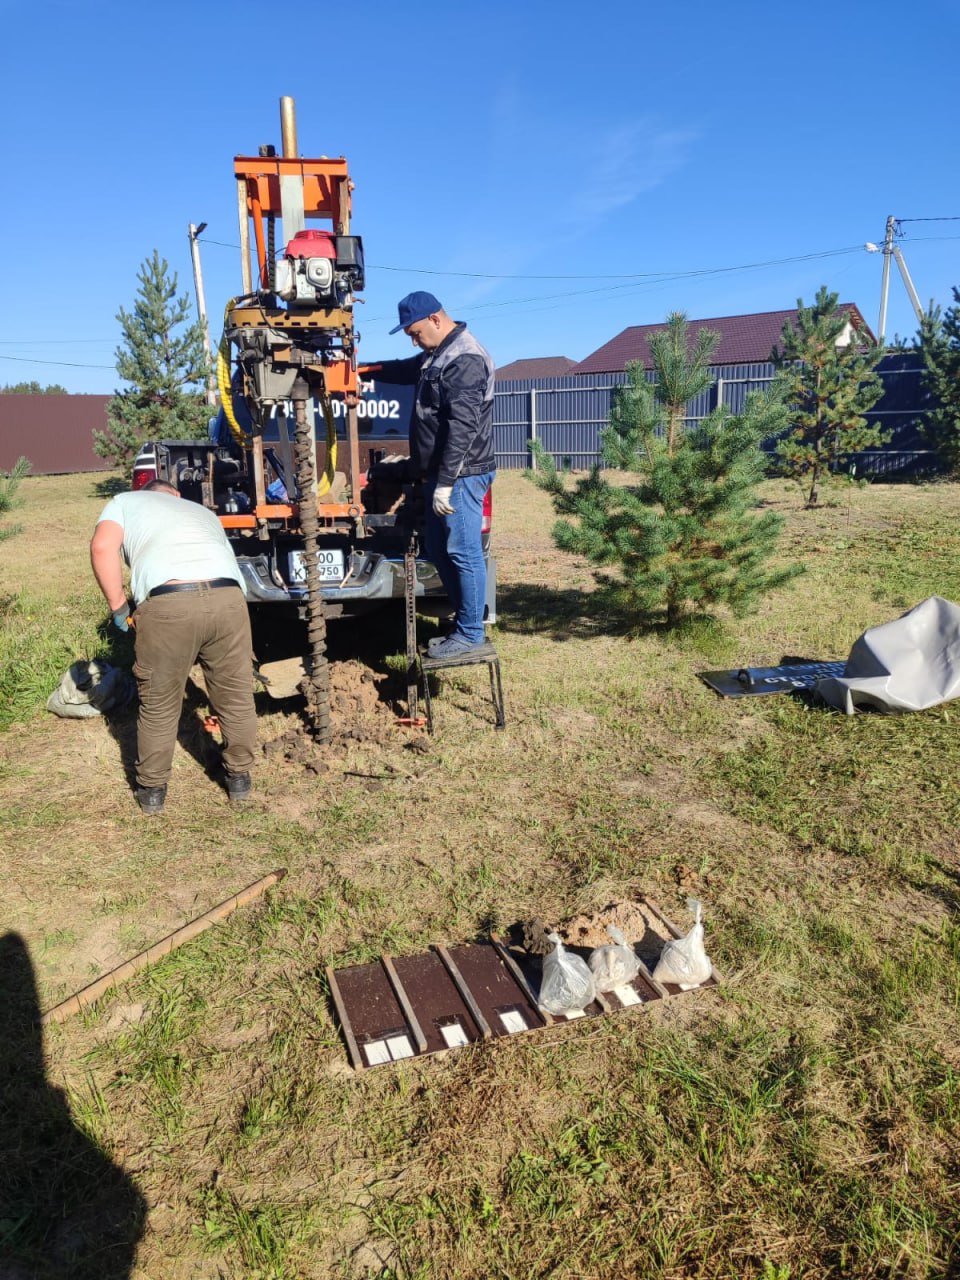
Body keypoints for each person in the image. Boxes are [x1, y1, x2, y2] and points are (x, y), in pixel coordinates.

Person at [90, 479, 257, 815]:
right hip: (229, 599)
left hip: (169, 601)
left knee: (160, 702)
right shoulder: (200, 510)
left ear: (145, 493)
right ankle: (239, 779)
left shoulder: (125, 501)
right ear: (175, 495)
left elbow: (102, 547)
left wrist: (120, 608)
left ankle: (152, 792)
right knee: (235, 694)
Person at [367, 291, 496, 657]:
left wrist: (446, 483)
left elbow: (463, 428)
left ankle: (471, 634)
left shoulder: (465, 358)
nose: (414, 341)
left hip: (463, 475)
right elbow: (404, 370)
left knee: (464, 551)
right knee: (440, 549)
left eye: (415, 333)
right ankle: (464, 623)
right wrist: (361, 371)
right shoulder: (437, 353)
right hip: (442, 474)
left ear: (436, 320)